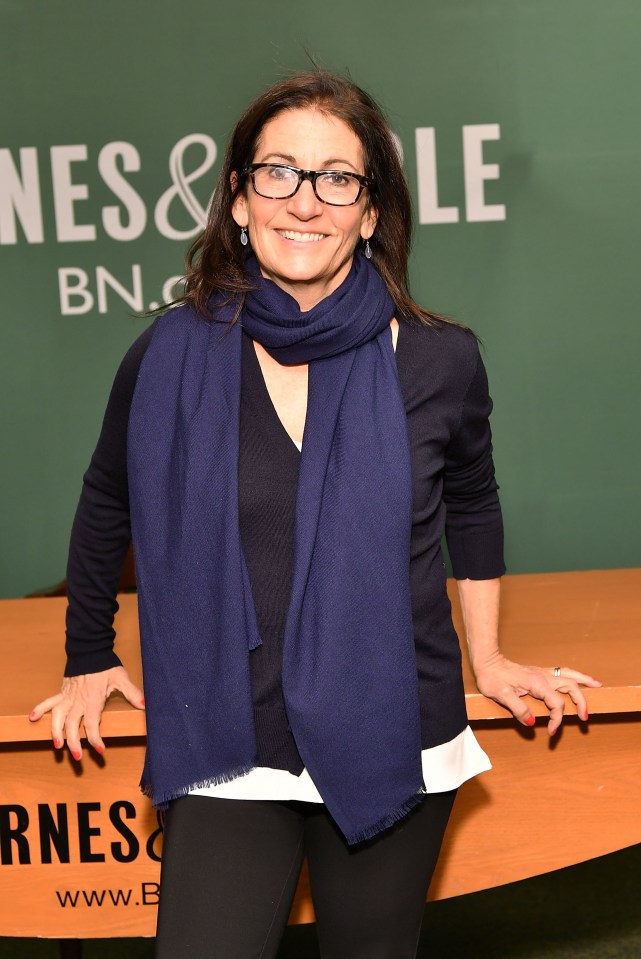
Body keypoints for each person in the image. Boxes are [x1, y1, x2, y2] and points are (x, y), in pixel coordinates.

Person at [30, 71, 600, 959]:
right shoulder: (169, 353)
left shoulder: (441, 360)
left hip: (392, 727)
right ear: (238, 199)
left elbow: (473, 502)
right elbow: (110, 495)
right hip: (230, 733)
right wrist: (88, 654)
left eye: (337, 178)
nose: (306, 201)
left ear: (370, 213)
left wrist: (485, 656)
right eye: (279, 173)